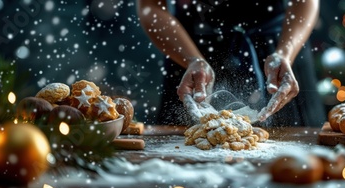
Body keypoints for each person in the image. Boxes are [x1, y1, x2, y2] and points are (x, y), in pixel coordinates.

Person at [137, 0, 326, 127]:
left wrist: (284, 53)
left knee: (299, 163)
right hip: (188, 52)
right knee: (181, 167)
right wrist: (192, 59)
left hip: (281, 47)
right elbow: (150, 6)